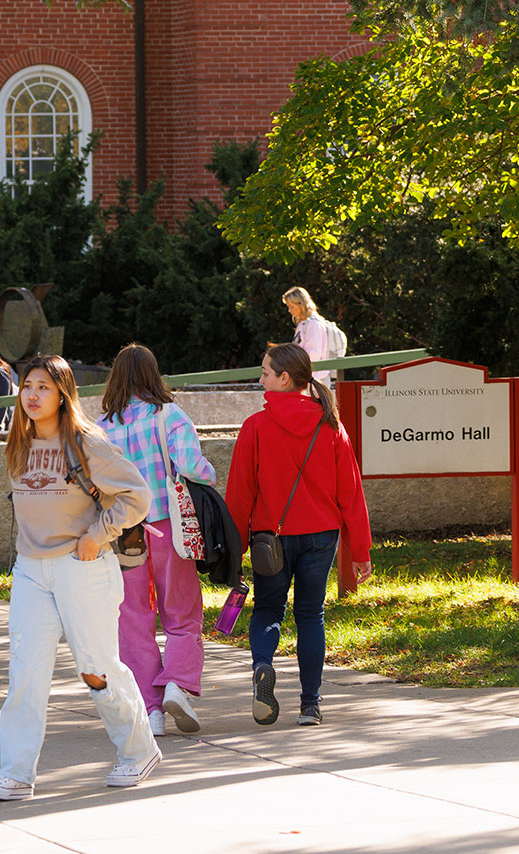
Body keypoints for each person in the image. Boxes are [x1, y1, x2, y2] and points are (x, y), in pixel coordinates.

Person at [0, 354, 161, 801]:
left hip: (82, 569)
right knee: (25, 672)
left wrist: (97, 535)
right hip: (30, 571)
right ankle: (16, 774)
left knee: (96, 668)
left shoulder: (85, 442)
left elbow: (137, 496)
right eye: (27, 387)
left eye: (43, 386)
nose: (33, 395)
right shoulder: (17, 443)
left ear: (62, 393)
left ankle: (138, 752)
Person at [227, 343, 370, 727]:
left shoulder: (255, 427)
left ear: (284, 378)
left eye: (265, 373)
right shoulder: (331, 424)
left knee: (268, 609)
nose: (260, 380)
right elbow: (350, 491)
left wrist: (234, 549)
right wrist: (361, 548)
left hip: (269, 538)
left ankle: (262, 665)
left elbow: (241, 494)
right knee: (310, 614)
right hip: (322, 534)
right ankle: (310, 704)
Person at [97, 344, 219, 736]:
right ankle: (177, 684)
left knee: (133, 619)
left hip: (125, 531)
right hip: (169, 526)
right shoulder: (169, 415)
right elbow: (188, 465)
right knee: (181, 612)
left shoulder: (102, 427)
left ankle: (150, 710)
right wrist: (210, 473)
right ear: (153, 374)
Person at [282, 287, 345, 385]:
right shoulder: (302, 324)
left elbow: (313, 354)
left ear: (301, 304)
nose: (289, 310)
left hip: (316, 379)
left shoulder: (314, 324)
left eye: (291, 307)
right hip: (306, 377)